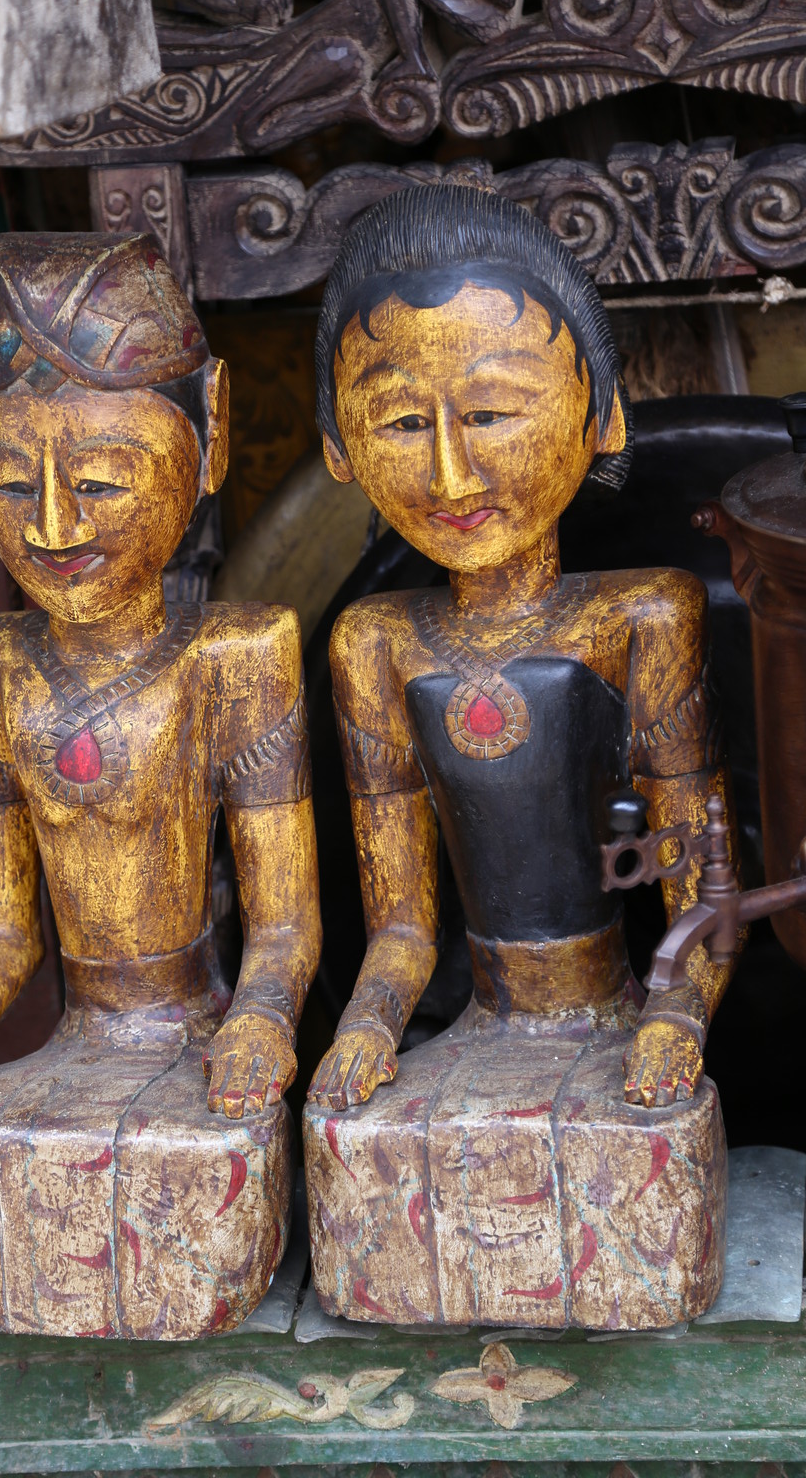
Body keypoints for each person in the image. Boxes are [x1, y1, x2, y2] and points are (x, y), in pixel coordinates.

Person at [303, 181, 735, 1330]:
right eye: (402, 424)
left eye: (492, 411)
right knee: (353, 1143)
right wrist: (366, 1025)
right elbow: (401, 928)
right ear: (338, 444)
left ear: (602, 415)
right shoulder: (374, 642)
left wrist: (677, 1014)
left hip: (614, 1019)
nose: (451, 476)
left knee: (636, 1146)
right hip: (478, 1026)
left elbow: (705, 891)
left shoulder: (641, 615)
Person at [0, 232, 321, 1339]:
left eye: (101, 480)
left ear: (210, 432)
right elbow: (2, 935)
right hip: (74, 1043)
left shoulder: (236, 656)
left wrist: (263, 1016)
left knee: (194, 1159)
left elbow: (285, 927)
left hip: (195, 1037)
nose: (53, 527)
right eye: (7, 480)